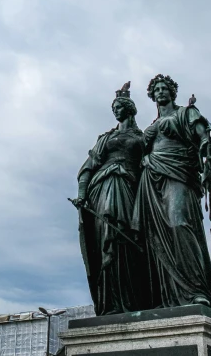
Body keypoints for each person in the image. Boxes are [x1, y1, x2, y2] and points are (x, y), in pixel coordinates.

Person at [132, 73, 211, 312]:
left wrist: (207, 159)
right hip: (151, 177)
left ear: (172, 92)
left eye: (165, 88)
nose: (160, 92)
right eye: (156, 90)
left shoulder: (186, 112)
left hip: (178, 172)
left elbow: (205, 137)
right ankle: (167, 296)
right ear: (152, 96)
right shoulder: (151, 126)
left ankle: (196, 290)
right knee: (155, 237)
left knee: (179, 224)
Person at [76, 82, 147, 315]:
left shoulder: (144, 137)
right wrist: (82, 195)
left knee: (126, 241)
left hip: (132, 188)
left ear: (130, 108)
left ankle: (133, 299)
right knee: (108, 237)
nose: (116, 111)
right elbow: (89, 166)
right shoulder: (106, 138)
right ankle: (110, 302)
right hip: (105, 186)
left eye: (119, 106)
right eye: (113, 107)